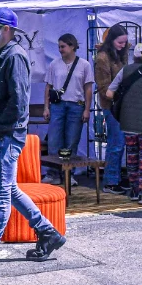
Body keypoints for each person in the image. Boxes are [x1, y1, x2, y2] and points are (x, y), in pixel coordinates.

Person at [0, 8, 66, 272]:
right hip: (1, 134)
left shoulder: (14, 56)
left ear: (5, 29)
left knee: (2, 194)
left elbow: (18, 101)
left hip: (5, 135)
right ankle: (48, 233)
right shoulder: (4, 54)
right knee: (8, 189)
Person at [105, 43, 142, 205]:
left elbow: (109, 93)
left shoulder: (124, 71)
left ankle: (133, 189)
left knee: (132, 156)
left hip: (128, 121)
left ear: (134, 56)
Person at [42, 33, 93, 186]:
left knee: (71, 141)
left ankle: (68, 173)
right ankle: (53, 173)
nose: (60, 49)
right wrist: (46, 107)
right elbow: (48, 87)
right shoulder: (54, 64)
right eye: (59, 46)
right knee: (54, 140)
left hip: (76, 105)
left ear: (72, 46)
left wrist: (87, 109)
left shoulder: (84, 65)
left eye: (63, 46)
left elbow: (88, 88)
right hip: (58, 105)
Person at [94, 24, 129, 194]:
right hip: (112, 106)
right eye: (120, 42)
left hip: (123, 106)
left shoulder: (122, 54)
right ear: (111, 40)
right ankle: (110, 181)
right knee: (116, 143)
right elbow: (103, 88)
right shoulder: (102, 58)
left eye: (125, 43)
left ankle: (115, 177)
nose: (123, 45)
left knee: (121, 143)